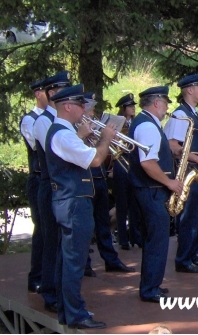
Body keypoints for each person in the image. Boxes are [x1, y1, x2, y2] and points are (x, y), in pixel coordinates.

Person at [45, 83, 116, 329]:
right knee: (74, 260)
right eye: (80, 104)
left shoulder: (65, 133)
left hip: (71, 201)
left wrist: (85, 137)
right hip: (74, 202)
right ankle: (76, 314)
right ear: (68, 106)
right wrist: (106, 138)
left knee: (68, 259)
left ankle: (68, 311)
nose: (85, 109)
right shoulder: (62, 134)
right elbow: (96, 159)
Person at [129, 86, 183, 302]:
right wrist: (169, 182)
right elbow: (148, 163)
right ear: (157, 103)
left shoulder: (146, 123)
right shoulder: (148, 126)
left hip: (149, 190)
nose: (167, 107)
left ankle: (152, 284)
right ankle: (150, 288)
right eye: (166, 103)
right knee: (157, 240)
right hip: (152, 191)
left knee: (157, 239)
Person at [163, 74, 198, 274]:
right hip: (189, 170)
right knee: (189, 217)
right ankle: (183, 259)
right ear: (190, 90)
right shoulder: (180, 115)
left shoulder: (195, 114)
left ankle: (193, 255)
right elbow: (173, 145)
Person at [82, 92, 135, 276]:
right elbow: (84, 153)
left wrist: (106, 139)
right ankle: (85, 264)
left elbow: (102, 152)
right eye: (92, 110)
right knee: (87, 224)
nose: (93, 114)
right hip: (86, 178)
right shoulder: (78, 128)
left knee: (103, 222)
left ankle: (111, 259)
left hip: (100, 176)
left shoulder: (90, 125)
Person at [33, 70, 71, 313]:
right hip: (50, 184)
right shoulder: (43, 121)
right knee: (52, 242)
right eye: (61, 91)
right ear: (51, 93)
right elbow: (57, 153)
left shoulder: (59, 120)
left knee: (61, 242)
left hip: (64, 184)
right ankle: (49, 292)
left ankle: (59, 289)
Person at [20, 78, 48, 293]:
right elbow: (40, 147)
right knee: (41, 229)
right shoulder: (30, 120)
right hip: (38, 178)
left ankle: (49, 275)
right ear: (38, 94)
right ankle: (36, 277)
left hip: (50, 178)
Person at [113, 93, 142, 250]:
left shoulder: (135, 123)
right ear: (123, 108)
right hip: (121, 163)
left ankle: (135, 235)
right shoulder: (119, 124)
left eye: (133, 106)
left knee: (134, 202)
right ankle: (123, 238)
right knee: (122, 203)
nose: (133, 108)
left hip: (133, 164)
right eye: (130, 106)